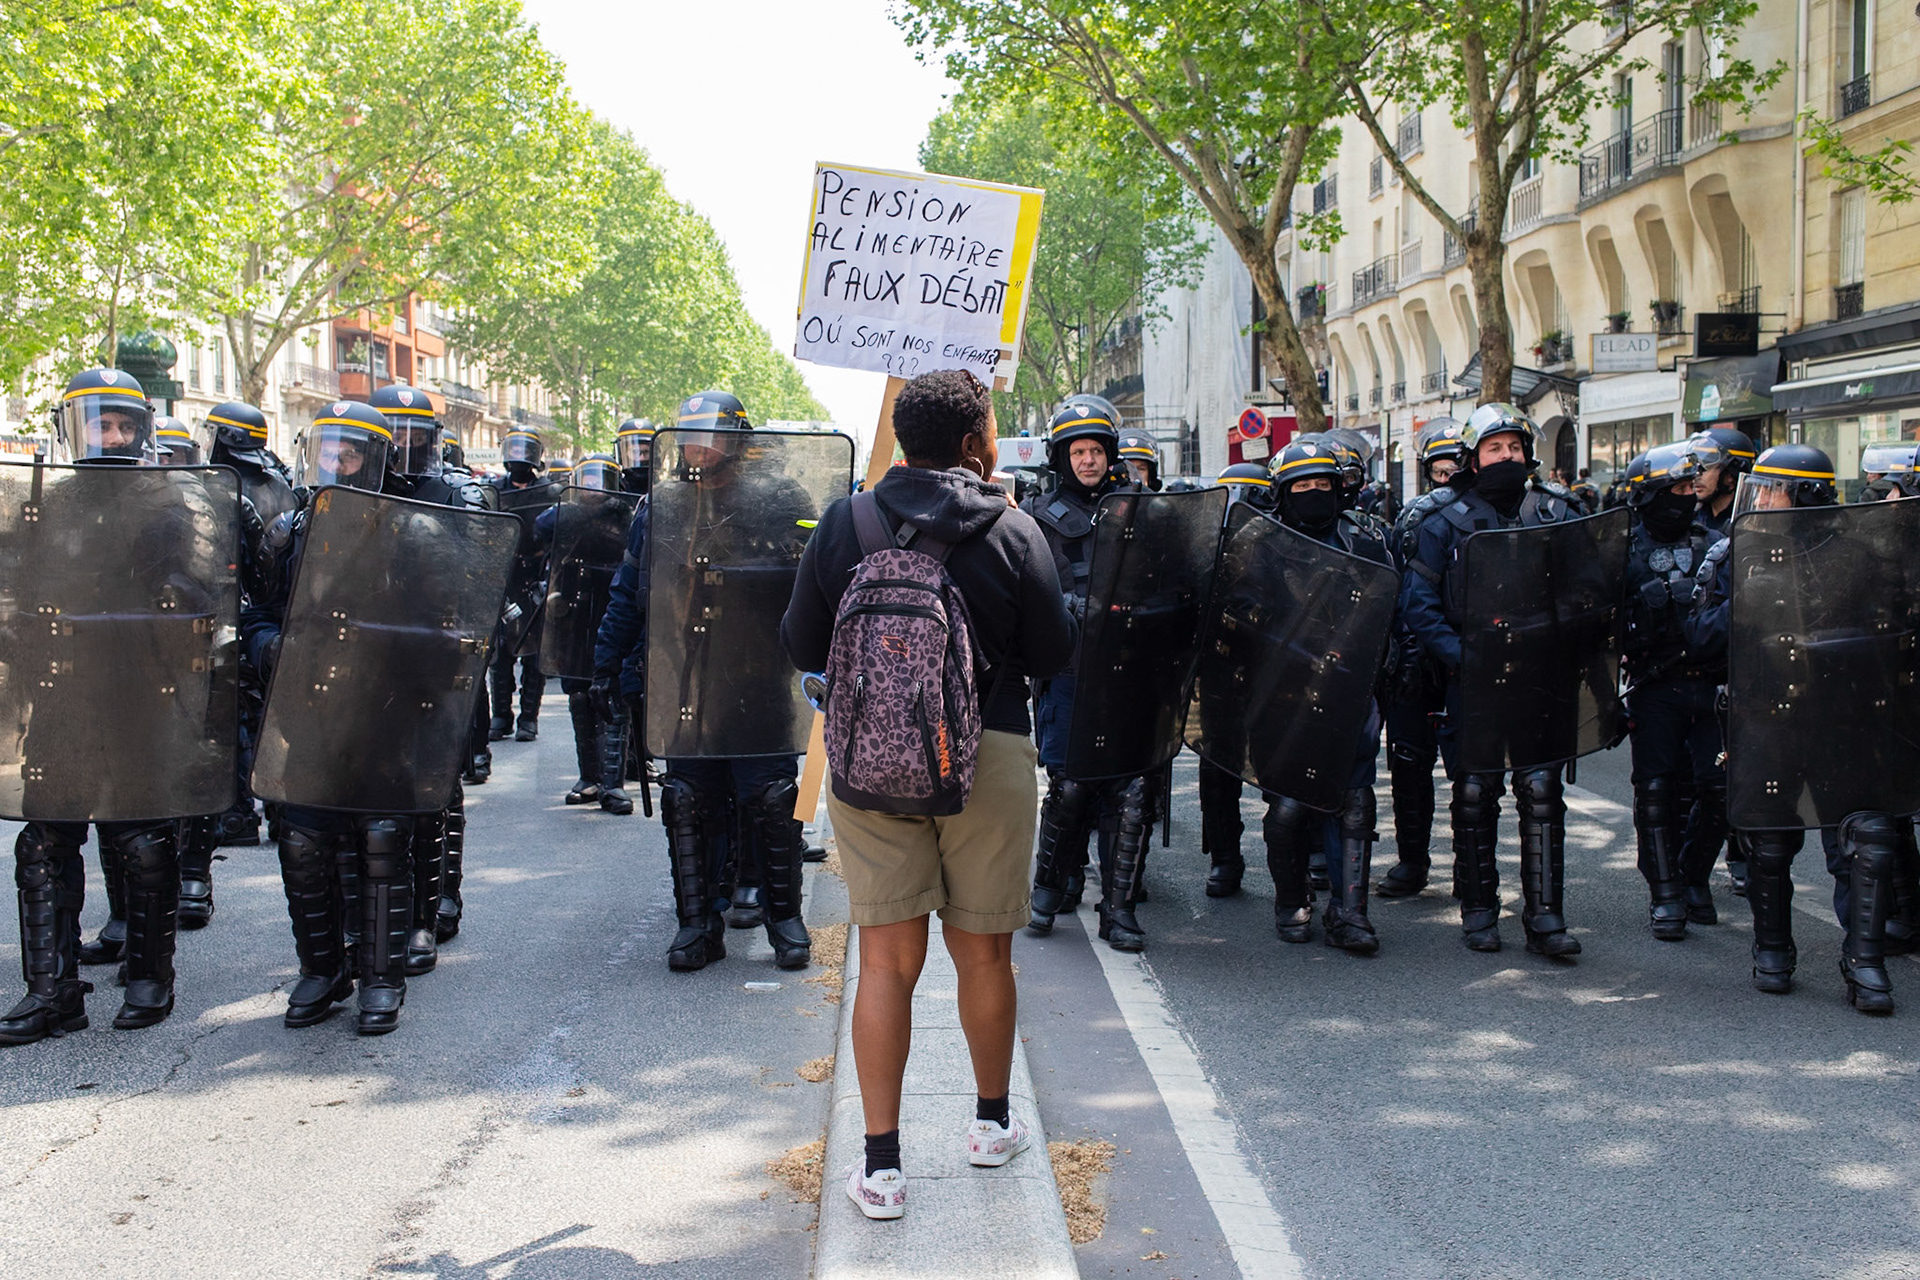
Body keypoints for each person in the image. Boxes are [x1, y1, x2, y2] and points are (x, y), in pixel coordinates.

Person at [779, 367, 1076, 1221]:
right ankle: (988, 1126)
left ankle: (881, 1169)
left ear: (902, 439)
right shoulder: (1015, 527)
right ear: (979, 438)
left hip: (871, 764)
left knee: (886, 959)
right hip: (986, 754)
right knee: (984, 953)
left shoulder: (849, 521)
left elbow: (802, 638)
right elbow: (1052, 653)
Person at [3, 368, 209, 1042]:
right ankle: (51, 991)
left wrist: (178, 600)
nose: (112, 435)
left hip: (137, 697)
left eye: (124, 424)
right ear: (74, 428)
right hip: (62, 697)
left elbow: (191, 595)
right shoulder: (46, 503)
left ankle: (151, 975)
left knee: (142, 841)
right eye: (100, 422)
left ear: (141, 430)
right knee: (43, 841)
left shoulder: (166, 505)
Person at [594, 390, 815, 972]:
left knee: (770, 798)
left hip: (758, 673)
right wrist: (607, 663)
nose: (700, 448)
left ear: (737, 442)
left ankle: (783, 917)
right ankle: (697, 925)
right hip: (685, 677)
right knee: (688, 800)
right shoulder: (660, 504)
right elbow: (629, 591)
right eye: (691, 437)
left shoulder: (781, 498)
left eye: (712, 437)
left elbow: (811, 577)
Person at [1687, 443, 1902, 1013]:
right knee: (1769, 839)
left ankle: (1866, 962)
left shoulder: (1864, 557)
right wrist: (1745, 607)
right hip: (1768, 716)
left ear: (1805, 496)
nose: (1761, 501)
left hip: (1846, 719)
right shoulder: (1737, 555)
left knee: (1868, 841)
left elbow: (1895, 640)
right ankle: (1773, 950)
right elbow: (1700, 640)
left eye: (1772, 490)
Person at [244, 401, 423, 1034]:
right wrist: (270, 648)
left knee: (379, 837)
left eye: (349, 454)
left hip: (384, 712)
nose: (336, 464)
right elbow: (257, 614)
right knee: (303, 837)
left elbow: (446, 627)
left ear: (374, 462)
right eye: (328, 451)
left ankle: (381, 978)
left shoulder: (413, 534)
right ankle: (321, 969)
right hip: (308, 712)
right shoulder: (288, 532)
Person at [1400, 403, 1584, 957]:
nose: (1507, 457)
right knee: (1476, 793)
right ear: (1473, 457)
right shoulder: (1441, 519)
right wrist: (1461, 657)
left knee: (1543, 790)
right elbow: (1419, 601)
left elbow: (1587, 589)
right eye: (1494, 448)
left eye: (1514, 447)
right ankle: (1480, 910)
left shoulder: (1557, 512)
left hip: (1538, 679)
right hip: (1472, 679)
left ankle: (1545, 917)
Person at [1022, 395, 1158, 950]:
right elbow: (1032, 589)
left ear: (1110, 454)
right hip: (1071, 668)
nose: (1087, 460)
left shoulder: (1142, 508)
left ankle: (1119, 911)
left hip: (1130, 671)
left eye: (1096, 450)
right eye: (1077, 451)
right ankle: (1051, 888)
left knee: (1129, 792)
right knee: (1072, 788)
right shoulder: (1037, 516)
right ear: (1062, 456)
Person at [1259, 438, 1395, 952]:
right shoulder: (1263, 544)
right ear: (1283, 491)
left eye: (1323, 484)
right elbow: (1244, 616)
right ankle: (1291, 898)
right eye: (1302, 486)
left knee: (1354, 802)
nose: (1313, 493)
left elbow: (1391, 605)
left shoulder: (1366, 541)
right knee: (1289, 808)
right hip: (1284, 697)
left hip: (1351, 693)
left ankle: (1350, 911)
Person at [1619, 444, 1726, 941]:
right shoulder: (1619, 548)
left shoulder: (1717, 543)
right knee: (1657, 790)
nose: (1687, 496)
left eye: (1691, 487)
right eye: (1677, 489)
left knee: (1720, 789)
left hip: (1711, 685)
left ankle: (1692, 874)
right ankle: (1666, 894)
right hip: (1655, 684)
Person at [1376, 421, 1467, 898]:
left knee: (1471, 776)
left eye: (1456, 462)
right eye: (1439, 466)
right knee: (1409, 768)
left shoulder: (1489, 515)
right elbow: (1398, 591)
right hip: (1414, 659)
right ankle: (1412, 861)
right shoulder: (1414, 518)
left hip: (1463, 662)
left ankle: (1469, 869)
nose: (1448, 472)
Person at [487, 429, 558, 742]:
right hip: (504, 575)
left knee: (534, 654)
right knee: (501, 652)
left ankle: (529, 718)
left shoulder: (550, 491)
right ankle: (501, 715)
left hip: (536, 575)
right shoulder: (493, 490)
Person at [1685, 425, 1756, 536]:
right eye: (1695, 467)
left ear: (1730, 475)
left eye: (1706, 467)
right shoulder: (1693, 516)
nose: (1696, 475)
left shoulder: (1749, 522)